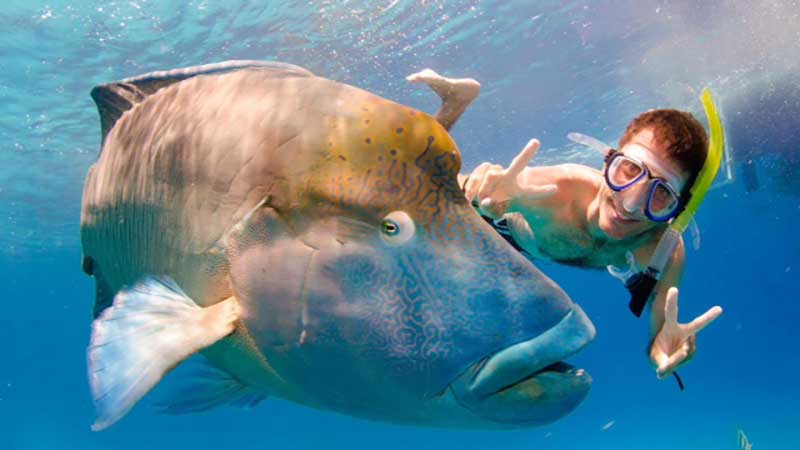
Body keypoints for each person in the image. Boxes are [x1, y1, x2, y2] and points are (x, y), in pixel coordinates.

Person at [407, 69, 723, 382]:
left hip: (528, 248)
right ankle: (456, 103)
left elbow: (660, 335)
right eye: (629, 170)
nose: (630, 203)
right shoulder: (561, 189)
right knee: (415, 185)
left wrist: (664, 350)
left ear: (677, 209)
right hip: (500, 224)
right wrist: (493, 197)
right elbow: (501, 194)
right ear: (607, 161)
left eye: (661, 194)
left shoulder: (662, 250)